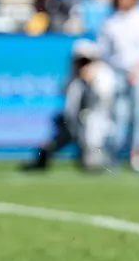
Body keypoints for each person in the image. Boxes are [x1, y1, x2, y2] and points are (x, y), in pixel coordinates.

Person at [24, 40, 117, 171]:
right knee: (56, 140)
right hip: (73, 122)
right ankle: (42, 160)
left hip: (96, 122)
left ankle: (101, 160)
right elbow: (69, 100)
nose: (83, 65)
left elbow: (101, 100)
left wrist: (90, 82)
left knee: (91, 156)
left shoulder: (104, 74)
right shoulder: (74, 77)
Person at [100, 0, 139, 172]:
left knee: (137, 115)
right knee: (117, 115)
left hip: (137, 72)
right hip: (116, 72)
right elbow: (104, 51)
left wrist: (137, 69)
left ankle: (136, 154)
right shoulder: (111, 20)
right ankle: (112, 154)